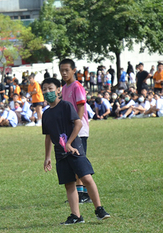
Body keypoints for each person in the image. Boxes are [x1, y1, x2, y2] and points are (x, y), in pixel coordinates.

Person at [41, 78, 111, 224]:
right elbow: (48, 136)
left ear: (58, 89)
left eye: (50, 88)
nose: (47, 92)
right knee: (69, 183)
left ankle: (99, 209)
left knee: (86, 178)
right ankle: (76, 216)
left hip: (74, 149)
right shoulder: (46, 114)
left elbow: (78, 124)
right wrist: (47, 156)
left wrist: (69, 143)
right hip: (60, 153)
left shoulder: (66, 106)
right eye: (45, 89)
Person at [60, 59, 93, 204]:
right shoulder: (64, 87)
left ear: (74, 70)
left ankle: (84, 194)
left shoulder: (77, 87)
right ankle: (80, 193)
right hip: (71, 130)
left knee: (79, 161)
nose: (64, 73)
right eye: (62, 70)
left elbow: (80, 107)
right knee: (74, 161)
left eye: (67, 70)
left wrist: (76, 125)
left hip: (79, 130)